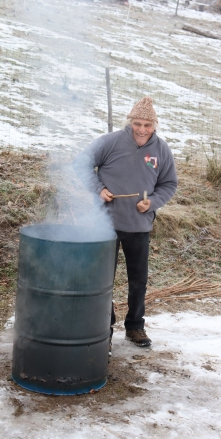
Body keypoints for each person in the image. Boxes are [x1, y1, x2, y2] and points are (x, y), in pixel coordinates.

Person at [73, 96, 178, 349]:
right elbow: (81, 164)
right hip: (105, 225)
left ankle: (135, 327)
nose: (142, 129)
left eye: (148, 125)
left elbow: (169, 184)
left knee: (138, 280)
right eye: (138, 123)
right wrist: (99, 189)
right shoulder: (110, 142)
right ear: (130, 122)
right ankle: (102, 329)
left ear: (155, 126)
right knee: (103, 279)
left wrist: (152, 203)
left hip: (138, 226)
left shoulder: (161, 150)